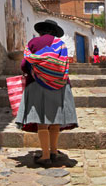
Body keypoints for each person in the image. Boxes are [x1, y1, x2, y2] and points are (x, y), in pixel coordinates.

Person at [15, 19, 78, 166]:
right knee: (55, 121)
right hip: (60, 86)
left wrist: (33, 72)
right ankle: (54, 151)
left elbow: (24, 64)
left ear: (41, 31)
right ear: (55, 32)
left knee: (42, 123)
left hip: (37, 85)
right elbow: (65, 64)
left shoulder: (33, 43)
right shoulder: (61, 45)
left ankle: (45, 156)